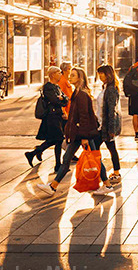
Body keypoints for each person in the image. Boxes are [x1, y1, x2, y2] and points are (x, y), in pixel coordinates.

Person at [39, 66, 112, 196]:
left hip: (83, 133)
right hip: (78, 132)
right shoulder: (77, 92)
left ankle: (107, 184)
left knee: (94, 158)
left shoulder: (82, 94)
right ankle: (53, 186)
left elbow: (84, 116)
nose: (69, 77)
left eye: (73, 75)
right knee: (67, 159)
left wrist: (84, 137)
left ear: (79, 78)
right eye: (70, 74)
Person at [25, 66, 68, 170]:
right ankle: (36, 153)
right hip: (51, 117)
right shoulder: (48, 87)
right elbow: (56, 101)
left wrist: (63, 99)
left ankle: (37, 154)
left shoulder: (57, 87)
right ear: (52, 74)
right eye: (58, 72)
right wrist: (61, 100)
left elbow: (65, 99)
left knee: (56, 140)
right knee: (57, 139)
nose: (60, 74)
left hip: (58, 117)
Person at [95, 63, 122, 186]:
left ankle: (112, 174)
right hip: (101, 124)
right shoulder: (105, 87)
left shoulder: (111, 89)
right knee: (110, 148)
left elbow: (112, 110)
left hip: (105, 126)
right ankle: (115, 172)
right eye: (99, 74)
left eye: (102, 74)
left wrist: (111, 129)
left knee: (94, 148)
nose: (100, 76)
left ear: (108, 74)